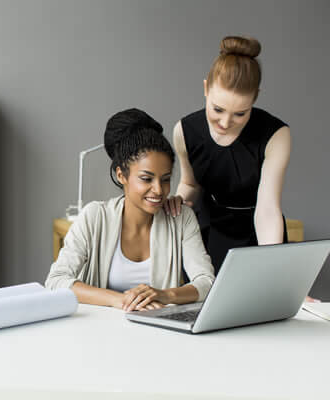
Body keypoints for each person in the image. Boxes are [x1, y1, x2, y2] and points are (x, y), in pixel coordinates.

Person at [45, 108, 215, 312]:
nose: (159, 190)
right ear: (121, 175)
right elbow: (56, 280)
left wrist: (165, 294)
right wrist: (121, 300)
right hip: (100, 328)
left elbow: (206, 282)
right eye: (146, 179)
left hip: (156, 327)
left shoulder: (180, 217)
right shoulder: (95, 217)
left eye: (166, 179)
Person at [164, 36, 291, 274]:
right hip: (208, 229)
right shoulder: (185, 131)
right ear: (205, 89)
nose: (225, 122)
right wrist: (178, 201)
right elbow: (190, 184)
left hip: (258, 230)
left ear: (255, 97)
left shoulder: (276, 135)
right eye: (218, 109)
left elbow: (267, 208)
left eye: (240, 114)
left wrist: (272, 265)